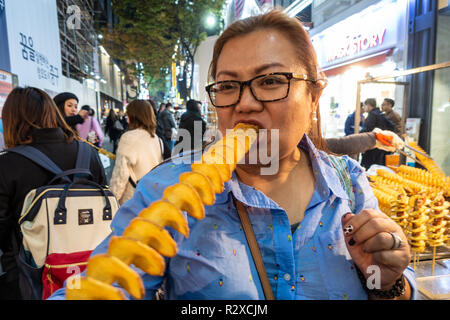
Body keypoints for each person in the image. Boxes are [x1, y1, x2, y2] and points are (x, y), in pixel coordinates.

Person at [50, 10, 416, 300]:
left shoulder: (349, 182)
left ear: (314, 96)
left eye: (271, 80)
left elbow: (391, 285)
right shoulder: (165, 188)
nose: (245, 103)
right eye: (227, 87)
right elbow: (102, 281)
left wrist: (388, 284)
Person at [0, 87, 106, 300]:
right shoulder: (88, 153)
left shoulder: (7, 163)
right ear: (53, 112)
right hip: (90, 270)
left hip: (30, 277)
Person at [109, 100, 163, 205]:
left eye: (128, 114)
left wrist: (112, 200)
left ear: (134, 116)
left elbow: (120, 175)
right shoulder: (157, 139)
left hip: (133, 200)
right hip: (153, 197)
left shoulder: (128, 138)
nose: (126, 117)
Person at [360, 98, 394, 169]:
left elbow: (367, 129)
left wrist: (358, 133)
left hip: (373, 145)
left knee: (368, 165)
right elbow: (392, 126)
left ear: (368, 105)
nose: (364, 108)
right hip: (381, 144)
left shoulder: (373, 115)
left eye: (364, 106)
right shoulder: (380, 114)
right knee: (377, 165)